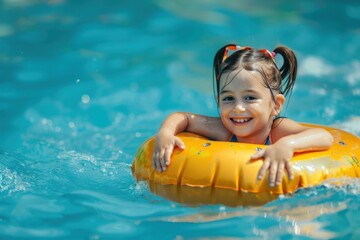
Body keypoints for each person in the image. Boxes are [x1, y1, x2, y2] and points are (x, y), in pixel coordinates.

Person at [152, 44, 334, 187]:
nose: (238, 108)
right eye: (229, 98)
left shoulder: (278, 130)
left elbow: (324, 137)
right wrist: (166, 134)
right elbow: (183, 117)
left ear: (276, 105)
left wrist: (288, 144)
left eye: (249, 97)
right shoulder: (224, 131)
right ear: (218, 101)